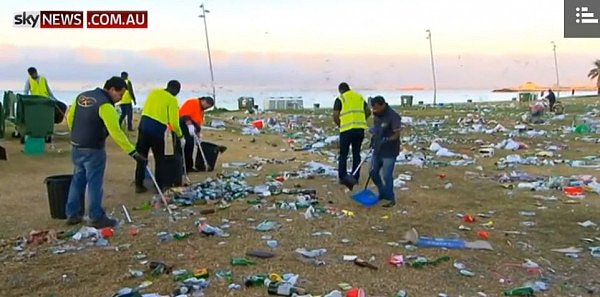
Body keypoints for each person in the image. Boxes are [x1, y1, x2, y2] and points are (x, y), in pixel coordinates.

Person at [65, 77, 147, 228]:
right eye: (120, 95)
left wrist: (77, 135)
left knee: (77, 180)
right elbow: (115, 131)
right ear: (112, 89)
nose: (120, 99)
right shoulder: (105, 105)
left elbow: (70, 118)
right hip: (94, 149)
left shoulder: (81, 96)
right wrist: (133, 152)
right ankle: (96, 216)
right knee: (94, 183)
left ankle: (72, 214)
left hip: (77, 146)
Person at [134, 80, 184, 193]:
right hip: (156, 130)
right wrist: (180, 135)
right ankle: (160, 186)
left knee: (141, 157)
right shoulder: (172, 99)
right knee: (159, 158)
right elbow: (174, 123)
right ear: (177, 90)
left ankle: (139, 184)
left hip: (143, 126)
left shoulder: (154, 93)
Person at [332, 82, 371, 188]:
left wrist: (340, 125)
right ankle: (355, 176)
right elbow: (368, 111)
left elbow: (335, 115)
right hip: (359, 129)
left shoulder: (340, 99)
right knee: (356, 153)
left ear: (340, 90)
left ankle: (343, 177)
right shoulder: (358, 97)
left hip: (346, 130)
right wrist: (361, 120)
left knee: (343, 154)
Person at [368, 96, 401, 207]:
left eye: (376, 108)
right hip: (377, 148)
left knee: (387, 175)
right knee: (373, 172)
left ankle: (390, 198)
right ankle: (382, 192)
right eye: (373, 108)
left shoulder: (393, 116)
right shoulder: (377, 114)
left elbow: (396, 134)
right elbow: (377, 128)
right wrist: (374, 133)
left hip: (389, 150)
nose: (374, 110)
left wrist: (387, 139)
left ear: (382, 105)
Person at [179, 96, 215, 171]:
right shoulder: (193, 102)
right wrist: (189, 125)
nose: (206, 108)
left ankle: (189, 166)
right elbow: (185, 115)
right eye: (207, 106)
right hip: (185, 125)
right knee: (187, 146)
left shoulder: (201, 110)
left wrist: (198, 134)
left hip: (192, 129)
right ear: (204, 101)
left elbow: (198, 122)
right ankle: (183, 167)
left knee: (190, 146)